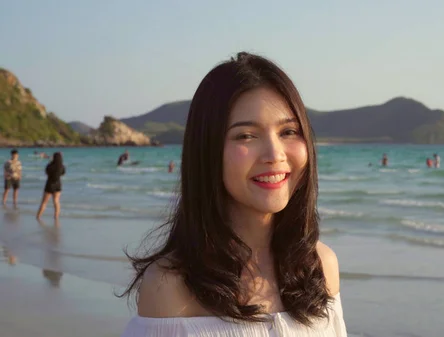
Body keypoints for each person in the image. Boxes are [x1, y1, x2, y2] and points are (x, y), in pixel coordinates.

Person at [118, 52, 347, 337]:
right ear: (207, 151)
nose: (275, 155)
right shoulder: (171, 287)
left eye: (288, 131)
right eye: (246, 135)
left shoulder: (319, 266)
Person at [36, 152, 66, 220]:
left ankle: (38, 216)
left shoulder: (50, 166)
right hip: (58, 184)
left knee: (44, 202)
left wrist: (50, 162)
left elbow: (46, 172)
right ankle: (56, 216)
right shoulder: (62, 166)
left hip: (50, 184)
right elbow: (63, 173)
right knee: (56, 201)